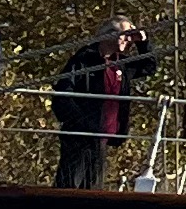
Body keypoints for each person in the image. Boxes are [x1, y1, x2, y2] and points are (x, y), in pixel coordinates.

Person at [51, 15, 143, 191]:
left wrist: (143, 42)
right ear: (109, 35)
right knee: (68, 185)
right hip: (79, 134)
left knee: (93, 187)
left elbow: (149, 66)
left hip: (101, 137)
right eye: (125, 35)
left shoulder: (120, 64)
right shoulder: (83, 59)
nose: (128, 40)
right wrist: (80, 121)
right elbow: (62, 94)